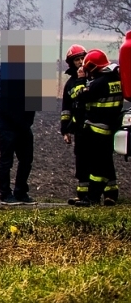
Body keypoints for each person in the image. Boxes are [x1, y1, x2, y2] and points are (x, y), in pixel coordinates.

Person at [67, 49, 122, 205]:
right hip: (110, 128)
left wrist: (80, 80)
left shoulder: (98, 83)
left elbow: (79, 96)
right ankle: (109, 194)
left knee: (98, 167)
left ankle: (92, 198)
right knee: (105, 163)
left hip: (96, 130)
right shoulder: (116, 79)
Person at [0, 39, 35, 203]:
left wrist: (27, 121)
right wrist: (15, 119)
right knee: (6, 160)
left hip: (24, 126)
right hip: (8, 126)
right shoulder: (4, 76)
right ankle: (5, 194)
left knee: (26, 160)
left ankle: (21, 192)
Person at [60, 44, 88, 194]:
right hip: (79, 129)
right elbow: (66, 109)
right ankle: (83, 193)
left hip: (94, 127)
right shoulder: (70, 84)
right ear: (72, 62)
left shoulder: (93, 78)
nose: (81, 61)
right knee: (81, 160)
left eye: (83, 58)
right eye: (77, 59)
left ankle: (105, 193)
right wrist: (65, 130)